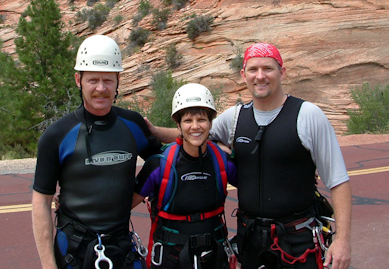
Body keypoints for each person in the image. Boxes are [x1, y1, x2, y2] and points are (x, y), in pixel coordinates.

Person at [146, 43, 352, 268]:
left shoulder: (308, 116)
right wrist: (154, 131)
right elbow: (193, 134)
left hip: (299, 240)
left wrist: (342, 240)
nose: (260, 76)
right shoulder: (234, 118)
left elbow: (338, 180)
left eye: (268, 69)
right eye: (253, 69)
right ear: (244, 75)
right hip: (251, 241)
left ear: (282, 72)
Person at [32, 35, 161, 269]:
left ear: (118, 81)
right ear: (78, 80)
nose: (101, 88)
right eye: (93, 80)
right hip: (73, 252)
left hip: (121, 248)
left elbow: (166, 161)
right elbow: (41, 202)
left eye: (108, 80)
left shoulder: (133, 126)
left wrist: (137, 195)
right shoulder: (57, 135)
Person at [132, 83, 238, 268]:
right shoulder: (160, 165)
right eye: (188, 120)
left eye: (201, 120)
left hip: (214, 256)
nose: (195, 126)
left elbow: (255, 192)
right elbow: (123, 206)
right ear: (178, 125)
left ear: (211, 123)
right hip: (170, 258)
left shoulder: (223, 161)